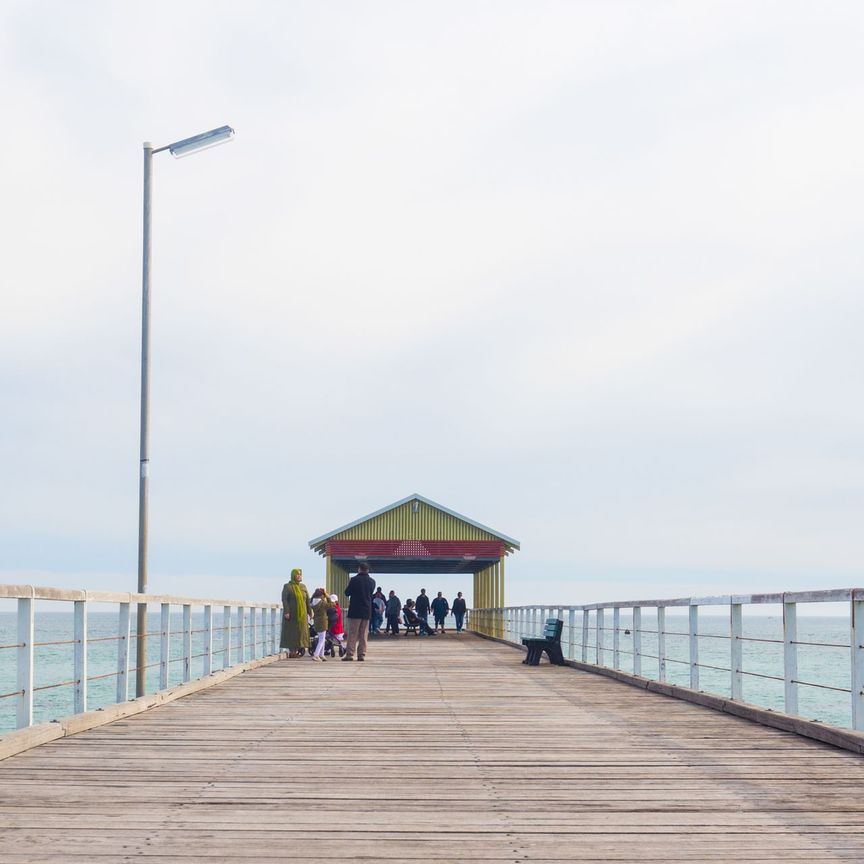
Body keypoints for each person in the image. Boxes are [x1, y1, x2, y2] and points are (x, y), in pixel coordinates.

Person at [343, 563, 376, 661]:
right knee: (364, 634)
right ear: (367, 570)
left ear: (359, 569)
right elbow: (370, 593)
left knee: (353, 633)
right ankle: (361, 654)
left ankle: (350, 654)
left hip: (355, 610)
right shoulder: (372, 581)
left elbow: (347, 592)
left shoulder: (354, 580)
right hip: (366, 610)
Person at [281, 568, 312, 658]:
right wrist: (287, 611)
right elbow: (284, 599)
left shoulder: (303, 586)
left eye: (300, 574)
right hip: (292, 614)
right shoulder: (287, 586)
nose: (299, 576)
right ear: (293, 575)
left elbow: (307, 600)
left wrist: (310, 612)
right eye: (297, 574)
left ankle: (298, 650)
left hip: (302, 615)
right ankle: (292, 652)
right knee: (292, 632)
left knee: (301, 632)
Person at [310, 588, 331, 662]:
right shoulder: (322, 602)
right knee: (322, 640)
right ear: (322, 595)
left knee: (321, 638)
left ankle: (321, 655)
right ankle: (316, 655)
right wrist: (328, 597)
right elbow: (331, 605)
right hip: (323, 621)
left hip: (316, 621)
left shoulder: (313, 601)